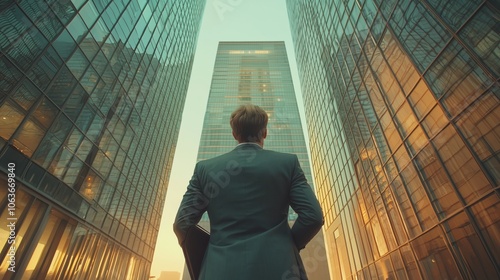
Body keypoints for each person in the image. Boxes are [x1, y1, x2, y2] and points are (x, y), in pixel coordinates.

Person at [173, 104, 324, 280]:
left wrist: (210, 254)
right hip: (279, 268)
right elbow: (313, 216)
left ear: (234, 134)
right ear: (264, 132)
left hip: (219, 269)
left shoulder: (205, 169)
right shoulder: (288, 164)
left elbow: (182, 224)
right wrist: (286, 245)